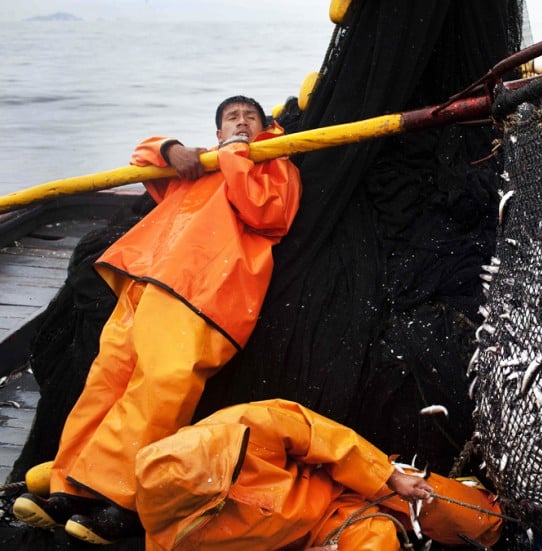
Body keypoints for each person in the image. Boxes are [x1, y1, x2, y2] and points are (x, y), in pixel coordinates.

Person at [12, 96, 303, 544]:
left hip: (205, 292)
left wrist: (238, 156)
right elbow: (143, 155)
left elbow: (268, 214)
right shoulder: (201, 164)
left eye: (251, 118)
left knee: (161, 387)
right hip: (144, 282)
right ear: (218, 131)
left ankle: (126, 502)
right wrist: (171, 149)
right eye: (232, 119)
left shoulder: (272, 163)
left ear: (266, 128)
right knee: (105, 384)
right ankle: (68, 488)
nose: (242, 124)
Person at [132, 399, 502, 550]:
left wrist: (389, 477)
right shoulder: (175, 541)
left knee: (479, 521)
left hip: (343, 483)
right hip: (320, 535)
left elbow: (325, 439)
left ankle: (476, 506)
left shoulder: (238, 426)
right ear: (203, 506)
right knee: (376, 540)